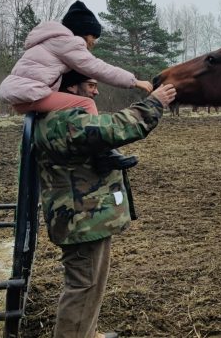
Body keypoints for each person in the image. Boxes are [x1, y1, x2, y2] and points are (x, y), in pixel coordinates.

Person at [33, 69, 176, 338]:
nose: (96, 91)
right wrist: (154, 103)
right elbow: (115, 128)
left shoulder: (62, 116)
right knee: (84, 285)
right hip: (81, 219)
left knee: (92, 283)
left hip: (86, 217)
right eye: (91, 85)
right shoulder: (64, 119)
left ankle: (88, 333)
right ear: (72, 88)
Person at [0, 0, 154, 116]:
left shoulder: (50, 41)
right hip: (30, 95)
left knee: (71, 101)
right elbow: (98, 69)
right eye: (94, 36)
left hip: (22, 95)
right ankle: (101, 151)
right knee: (87, 103)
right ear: (84, 33)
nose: (94, 42)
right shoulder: (69, 42)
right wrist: (134, 81)